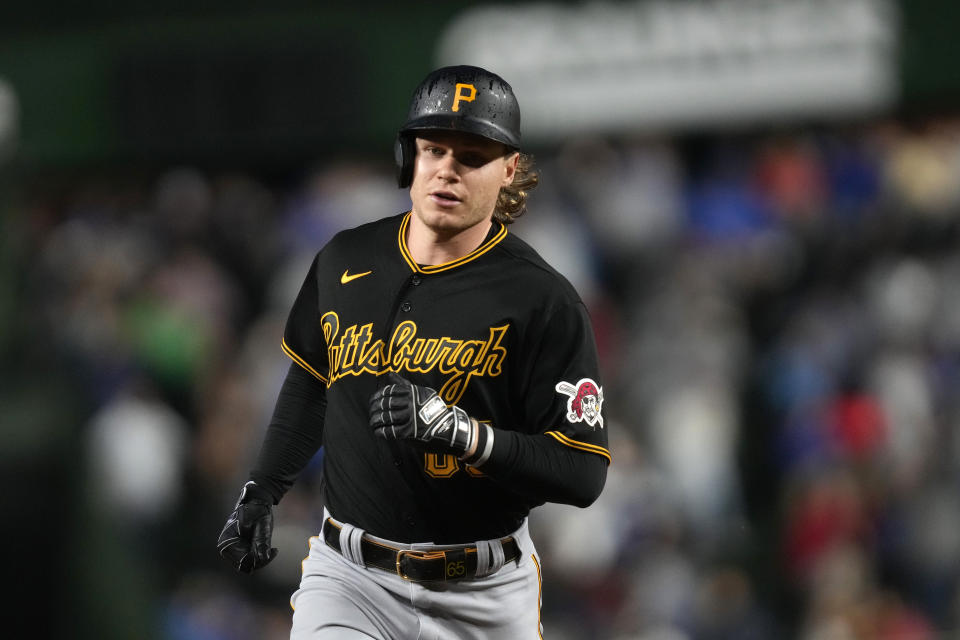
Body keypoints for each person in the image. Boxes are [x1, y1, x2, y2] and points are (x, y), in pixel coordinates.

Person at [217, 64, 611, 639]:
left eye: (471, 157)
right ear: (410, 159)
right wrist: (262, 488)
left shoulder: (542, 299)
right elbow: (309, 384)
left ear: (510, 171)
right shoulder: (342, 259)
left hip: (486, 592)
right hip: (351, 577)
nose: (447, 170)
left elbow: (582, 471)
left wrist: (464, 434)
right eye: (434, 150)